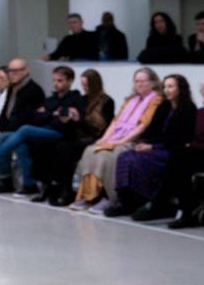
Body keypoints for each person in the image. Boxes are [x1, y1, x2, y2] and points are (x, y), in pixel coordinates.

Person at [70, 67, 163, 212]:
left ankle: (109, 197)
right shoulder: (130, 100)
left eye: (143, 81)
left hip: (135, 140)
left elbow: (143, 125)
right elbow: (115, 122)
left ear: (153, 82)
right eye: (136, 81)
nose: (139, 84)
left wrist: (122, 141)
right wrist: (104, 138)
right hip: (116, 137)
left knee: (109, 156)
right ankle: (89, 195)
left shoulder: (156, 100)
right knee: (90, 150)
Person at [108, 74, 197, 219]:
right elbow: (153, 131)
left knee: (138, 160)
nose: (166, 90)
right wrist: (145, 143)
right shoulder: (164, 106)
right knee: (124, 156)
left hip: (172, 150)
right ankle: (126, 201)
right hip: (157, 146)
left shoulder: (188, 109)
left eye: (170, 86)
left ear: (180, 89)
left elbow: (178, 139)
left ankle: (150, 201)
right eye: (165, 87)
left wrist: (153, 147)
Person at [0, 66, 81, 195]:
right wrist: (53, 114)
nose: (55, 83)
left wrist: (47, 114)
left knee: (25, 129)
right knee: (16, 142)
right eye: (54, 80)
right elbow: (36, 116)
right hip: (45, 130)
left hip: (61, 133)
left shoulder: (74, 98)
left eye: (60, 81)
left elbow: (62, 122)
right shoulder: (51, 99)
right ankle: (29, 184)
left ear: (70, 81)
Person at [31, 68, 115, 205]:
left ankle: (64, 189)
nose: (85, 88)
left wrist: (77, 120)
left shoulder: (106, 101)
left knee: (64, 148)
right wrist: (70, 118)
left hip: (94, 137)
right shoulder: (82, 99)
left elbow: (99, 128)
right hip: (78, 134)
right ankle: (50, 185)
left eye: (87, 85)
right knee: (46, 144)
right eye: (83, 85)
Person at [164, 79, 204, 228]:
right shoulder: (199, 113)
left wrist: (191, 145)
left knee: (181, 160)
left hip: (199, 151)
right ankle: (184, 209)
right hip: (195, 150)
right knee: (178, 157)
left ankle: (185, 211)